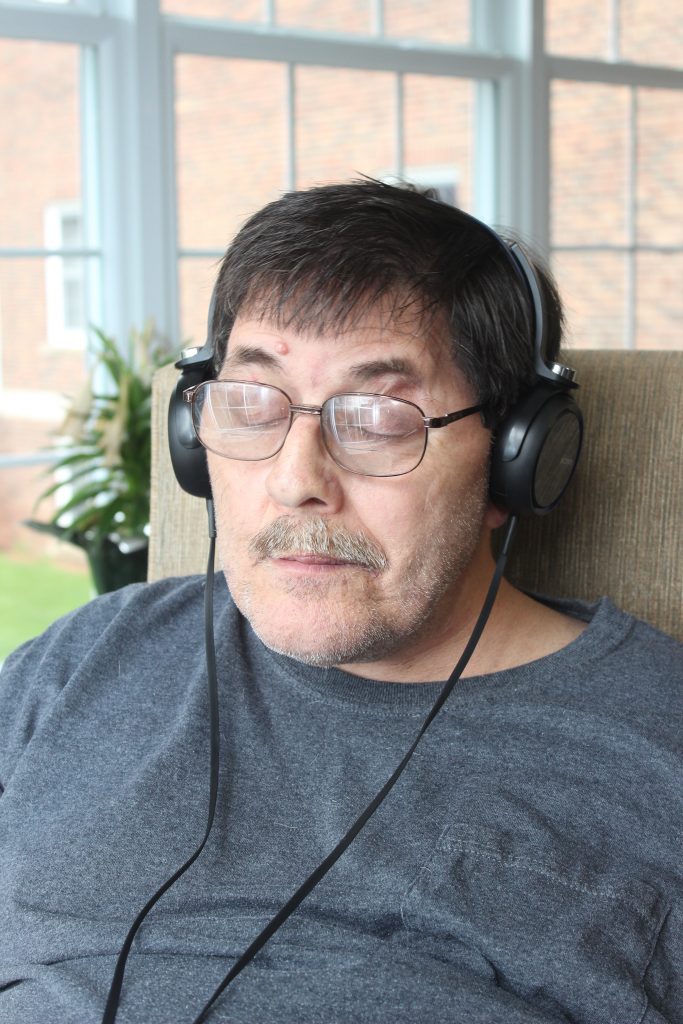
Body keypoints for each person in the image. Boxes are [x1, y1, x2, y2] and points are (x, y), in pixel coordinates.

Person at [0, 180, 681, 1024]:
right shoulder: (82, 663)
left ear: (518, 460)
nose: (295, 482)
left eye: (377, 416)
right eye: (251, 405)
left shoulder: (660, 744)